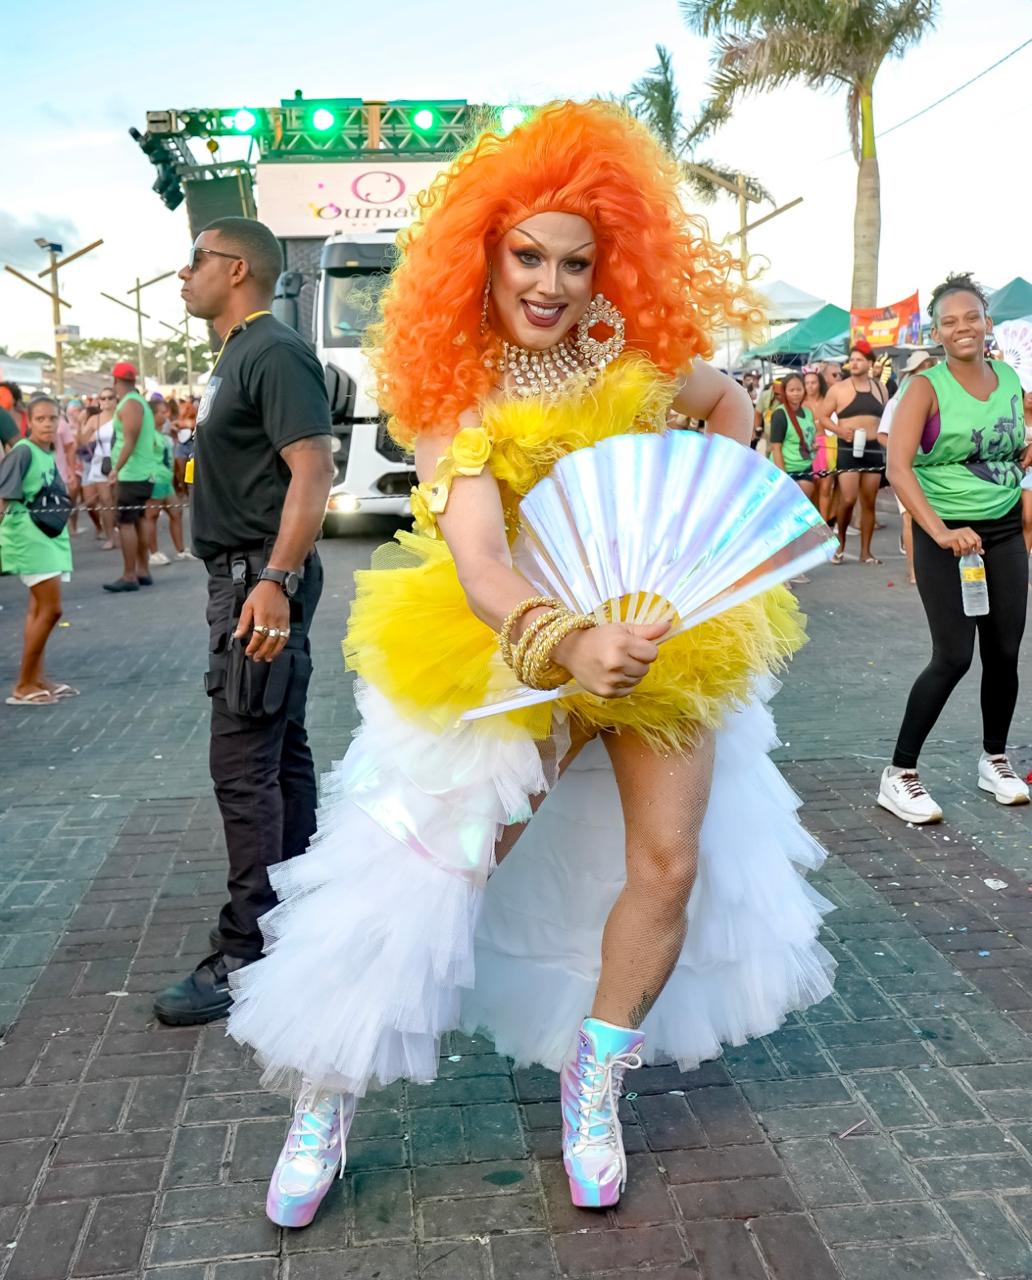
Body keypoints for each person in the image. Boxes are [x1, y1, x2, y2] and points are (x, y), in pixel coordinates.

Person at [223, 102, 834, 1227]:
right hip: (512, 648)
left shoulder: (641, 358)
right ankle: (326, 1092)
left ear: (613, 266)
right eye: (527, 257)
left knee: (668, 860)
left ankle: (594, 1077)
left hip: (663, 637)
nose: (550, 283)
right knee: (428, 870)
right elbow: (479, 562)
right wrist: (568, 641)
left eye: (576, 261)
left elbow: (732, 400)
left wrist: (700, 531)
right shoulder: (459, 395)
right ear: (485, 255)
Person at [152, 216, 334, 1027]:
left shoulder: (271, 349)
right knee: (276, 750)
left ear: (235, 269)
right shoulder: (235, 356)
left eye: (194, 262)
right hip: (246, 580)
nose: (182, 276)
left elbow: (314, 469)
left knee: (243, 766)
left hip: (259, 583)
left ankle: (246, 953)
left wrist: (276, 580)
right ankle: (297, 918)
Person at [880, 273, 1030, 824]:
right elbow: (898, 468)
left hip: (1006, 530)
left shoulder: (1010, 378)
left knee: (1005, 652)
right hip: (947, 536)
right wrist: (939, 533)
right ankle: (899, 774)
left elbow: (1011, 442)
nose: (962, 327)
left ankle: (994, 759)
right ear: (937, 332)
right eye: (950, 321)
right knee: (953, 657)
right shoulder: (924, 387)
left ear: (986, 322)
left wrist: (1021, 452)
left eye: (971, 317)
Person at [0, 396, 75, 706]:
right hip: (28, 537)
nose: (47, 424)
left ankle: (36, 679)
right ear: (28, 422)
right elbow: (3, 497)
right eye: (41, 419)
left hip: (48, 535)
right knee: (51, 610)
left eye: (52, 418)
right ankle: (23, 684)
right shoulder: (22, 452)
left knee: (38, 610)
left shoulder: (46, 452)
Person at [878, 350, 937, 585]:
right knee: (909, 519)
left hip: (935, 470)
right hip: (907, 470)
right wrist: (903, 450)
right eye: (924, 367)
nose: (929, 371)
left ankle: (933, 567)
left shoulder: (943, 397)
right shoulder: (897, 402)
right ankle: (913, 570)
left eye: (932, 366)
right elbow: (882, 435)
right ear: (913, 373)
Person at [825, 339, 886, 564]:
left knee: (869, 501)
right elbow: (821, 416)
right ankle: (840, 543)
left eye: (859, 359)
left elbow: (886, 418)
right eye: (852, 360)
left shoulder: (880, 388)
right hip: (848, 447)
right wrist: (840, 431)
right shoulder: (838, 389)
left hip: (872, 447)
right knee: (848, 498)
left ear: (870, 362)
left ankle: (866, 552)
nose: (855, 363)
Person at [103, 362, 158, 592]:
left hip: (133, 473)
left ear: (115, 382)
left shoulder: (130, 404)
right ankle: (142, 571)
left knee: (126, 522)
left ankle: (129, 575)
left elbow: (130, 440)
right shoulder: (138, 402)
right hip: (142, 471)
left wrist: (116, 468)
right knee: (139, 520)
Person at [145, 398, 191, 563]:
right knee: (152, 515)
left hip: (166, 480)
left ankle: (180, 550)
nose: (166, 416)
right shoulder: (147, 434)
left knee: (176, 512)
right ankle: (154, 553)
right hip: (155, 479)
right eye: (162, 413)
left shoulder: (161, 434)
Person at [769, 372, 817, 501]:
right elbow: (776, 447)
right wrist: (783, 477)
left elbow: (809, 437)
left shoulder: (808, 412)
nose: (796, 393)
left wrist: (813, 446)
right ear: (785, 392)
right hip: (786, 470)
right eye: (791, 390)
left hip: (806, 467)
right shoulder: (780, 414)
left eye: (799, 389)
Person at [80, 388, 118, 548]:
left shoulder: (122, 416)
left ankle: (123, 531)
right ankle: (110, 537)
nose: (106, 401)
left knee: (119, 501)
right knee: (106, 501)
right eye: (103, 398)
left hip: (121, 462)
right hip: (102, 463)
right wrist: (81, 422)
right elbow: (81, 440)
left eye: (110, 397)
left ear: (116, 399)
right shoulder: (95, 419)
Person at [802, 366, 837, 522]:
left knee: (825, 487)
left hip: (827, 446)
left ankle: (824, 523)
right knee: (812, 489)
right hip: (808, 448)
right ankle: (814, 523)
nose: (810, 386)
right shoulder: (801, 405)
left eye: (813, 382)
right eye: (807, 383)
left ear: (819, 383)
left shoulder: (827, 401)